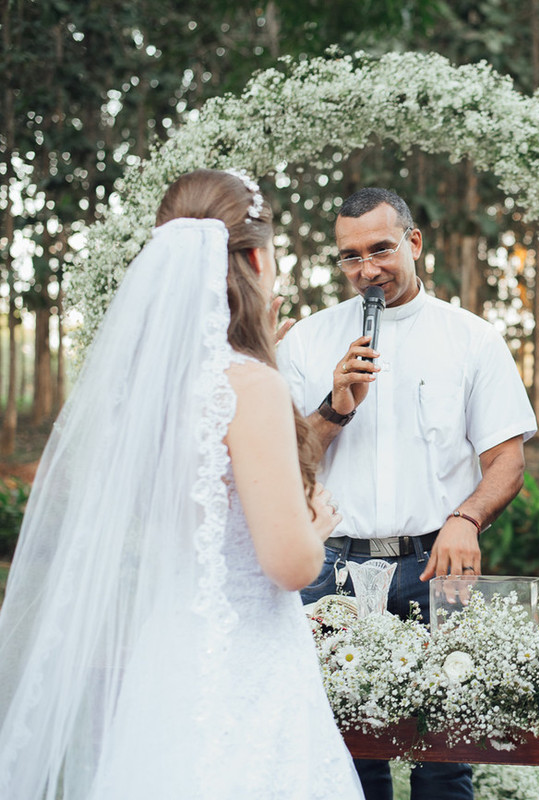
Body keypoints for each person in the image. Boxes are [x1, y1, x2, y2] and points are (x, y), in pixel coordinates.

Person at [0, 168, 363, 799]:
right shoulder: (248, 386)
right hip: (243, 668)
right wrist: (318, 525)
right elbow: (289, 565)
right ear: (256, 259)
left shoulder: (153, 391)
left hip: (166, 660)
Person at [277, 187, 537, 800]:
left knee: (445, 751)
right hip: (332, 570)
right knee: (344, 751)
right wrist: (335, 408)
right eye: (351, 256)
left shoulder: (472, 338)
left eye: (380, 249)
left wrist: (465, 519)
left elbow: (507, 462)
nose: (366, 269)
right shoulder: (307, 341)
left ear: (414, 242)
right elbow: (283, 466)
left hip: (434, 568)